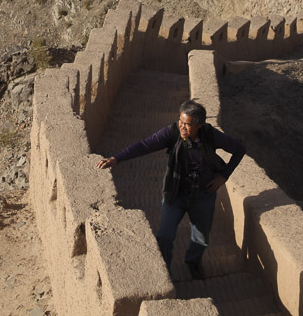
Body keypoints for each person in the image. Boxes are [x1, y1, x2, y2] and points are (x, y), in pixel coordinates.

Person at [96, 99, 245, 279]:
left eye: (187, 124)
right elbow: (145, 145)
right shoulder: (172, 133)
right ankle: (165, 270)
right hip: (175, 194)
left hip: (203, 195)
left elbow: (239, 149)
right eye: (181, 121)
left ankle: (193, 262)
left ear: (199, 125)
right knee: (164, 236)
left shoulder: (210, 135)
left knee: (201, 238)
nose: (182, 126)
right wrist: (116, 158)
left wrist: (224, 175)